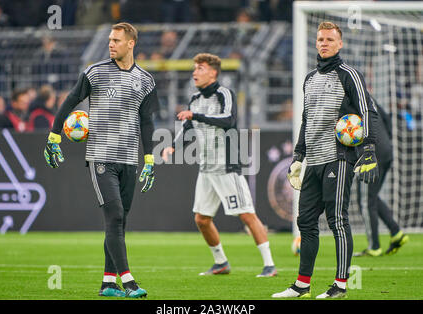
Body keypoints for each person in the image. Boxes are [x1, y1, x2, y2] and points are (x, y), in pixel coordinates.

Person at [44, 22, 159, 298]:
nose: (111, 44)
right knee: (115, 215)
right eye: (110, 39)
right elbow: (70, 100)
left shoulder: (145, 80)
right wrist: (54, 136)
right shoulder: (95, 72)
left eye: (117, 40)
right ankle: (128, 282)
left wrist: (150, 159)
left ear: (131, 43)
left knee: (120, 222)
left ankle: (108, 283)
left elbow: (147, 121)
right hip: (101, 158)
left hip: (130, 160)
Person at [272, 22, 379, 299]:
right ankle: (302, 285)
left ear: (340, 44)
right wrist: (298, 157)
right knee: (305, 222)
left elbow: (368, 111)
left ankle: (340, 286)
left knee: (338, 221)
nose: (324, 43)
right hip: (314, 161)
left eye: (330, 39)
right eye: (320, 39)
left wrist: (368, 148)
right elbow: (307, 120)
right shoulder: (309, 78)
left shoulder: (349, 74)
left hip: (339, 158)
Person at [162, 53, 277, 277]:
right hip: (206, 169)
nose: (195, 72)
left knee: (246, 215)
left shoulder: (225, 94)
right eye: (194, 68)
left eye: (201, 68)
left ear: (213, 72)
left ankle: (269, 264)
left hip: (227, 166)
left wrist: (196, 115)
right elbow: (188, 127)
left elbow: (228, 121)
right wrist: (173, 147)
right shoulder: (194, 99)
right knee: (202, 219)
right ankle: (221, 262)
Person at [354, 96, 409, 257]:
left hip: (372, 154)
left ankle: (374, 246)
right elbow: (386, 118)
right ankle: (396, 232)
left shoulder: (347, 98)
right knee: (371, 197)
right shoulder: (368, 98)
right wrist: (386, 142)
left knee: (365, 200)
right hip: (386, 151)